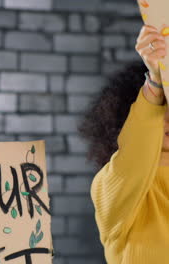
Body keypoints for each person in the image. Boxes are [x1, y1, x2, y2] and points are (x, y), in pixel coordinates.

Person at [79, 25, 169, 263]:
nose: (167, 116)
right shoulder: (109, 184)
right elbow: (135, 159)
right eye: (161, 105)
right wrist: (156, 83)